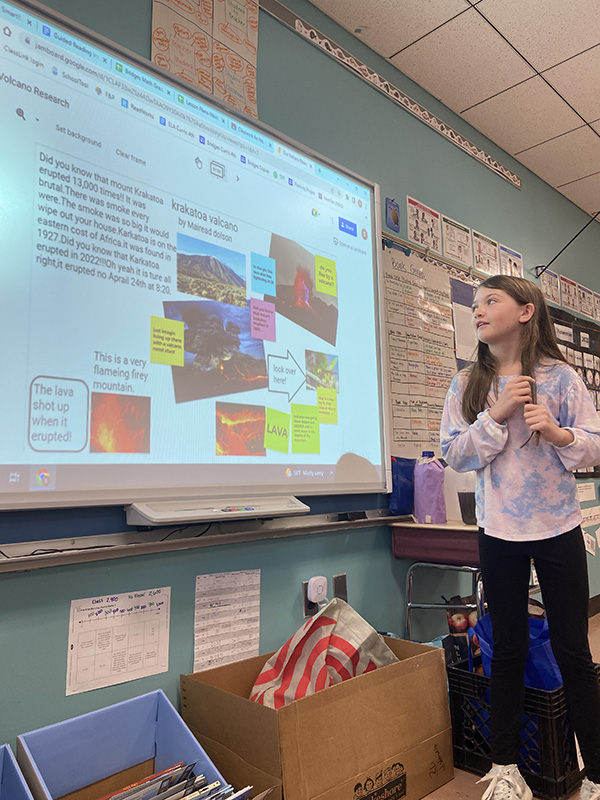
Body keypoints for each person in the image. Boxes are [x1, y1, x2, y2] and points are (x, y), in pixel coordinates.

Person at [440, 275, 600, 800]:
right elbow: (454, 455)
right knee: (506, 648)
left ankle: (596, 769)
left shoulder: (560, 378)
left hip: (558, 527)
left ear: (526, 311)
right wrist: (496, 414)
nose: (479, 310)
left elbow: (594, 446)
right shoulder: (468, 384)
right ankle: (505, 767)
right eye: (476, 304)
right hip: (500, 531)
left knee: (574, 648)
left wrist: (557, 433)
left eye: (491, 301)